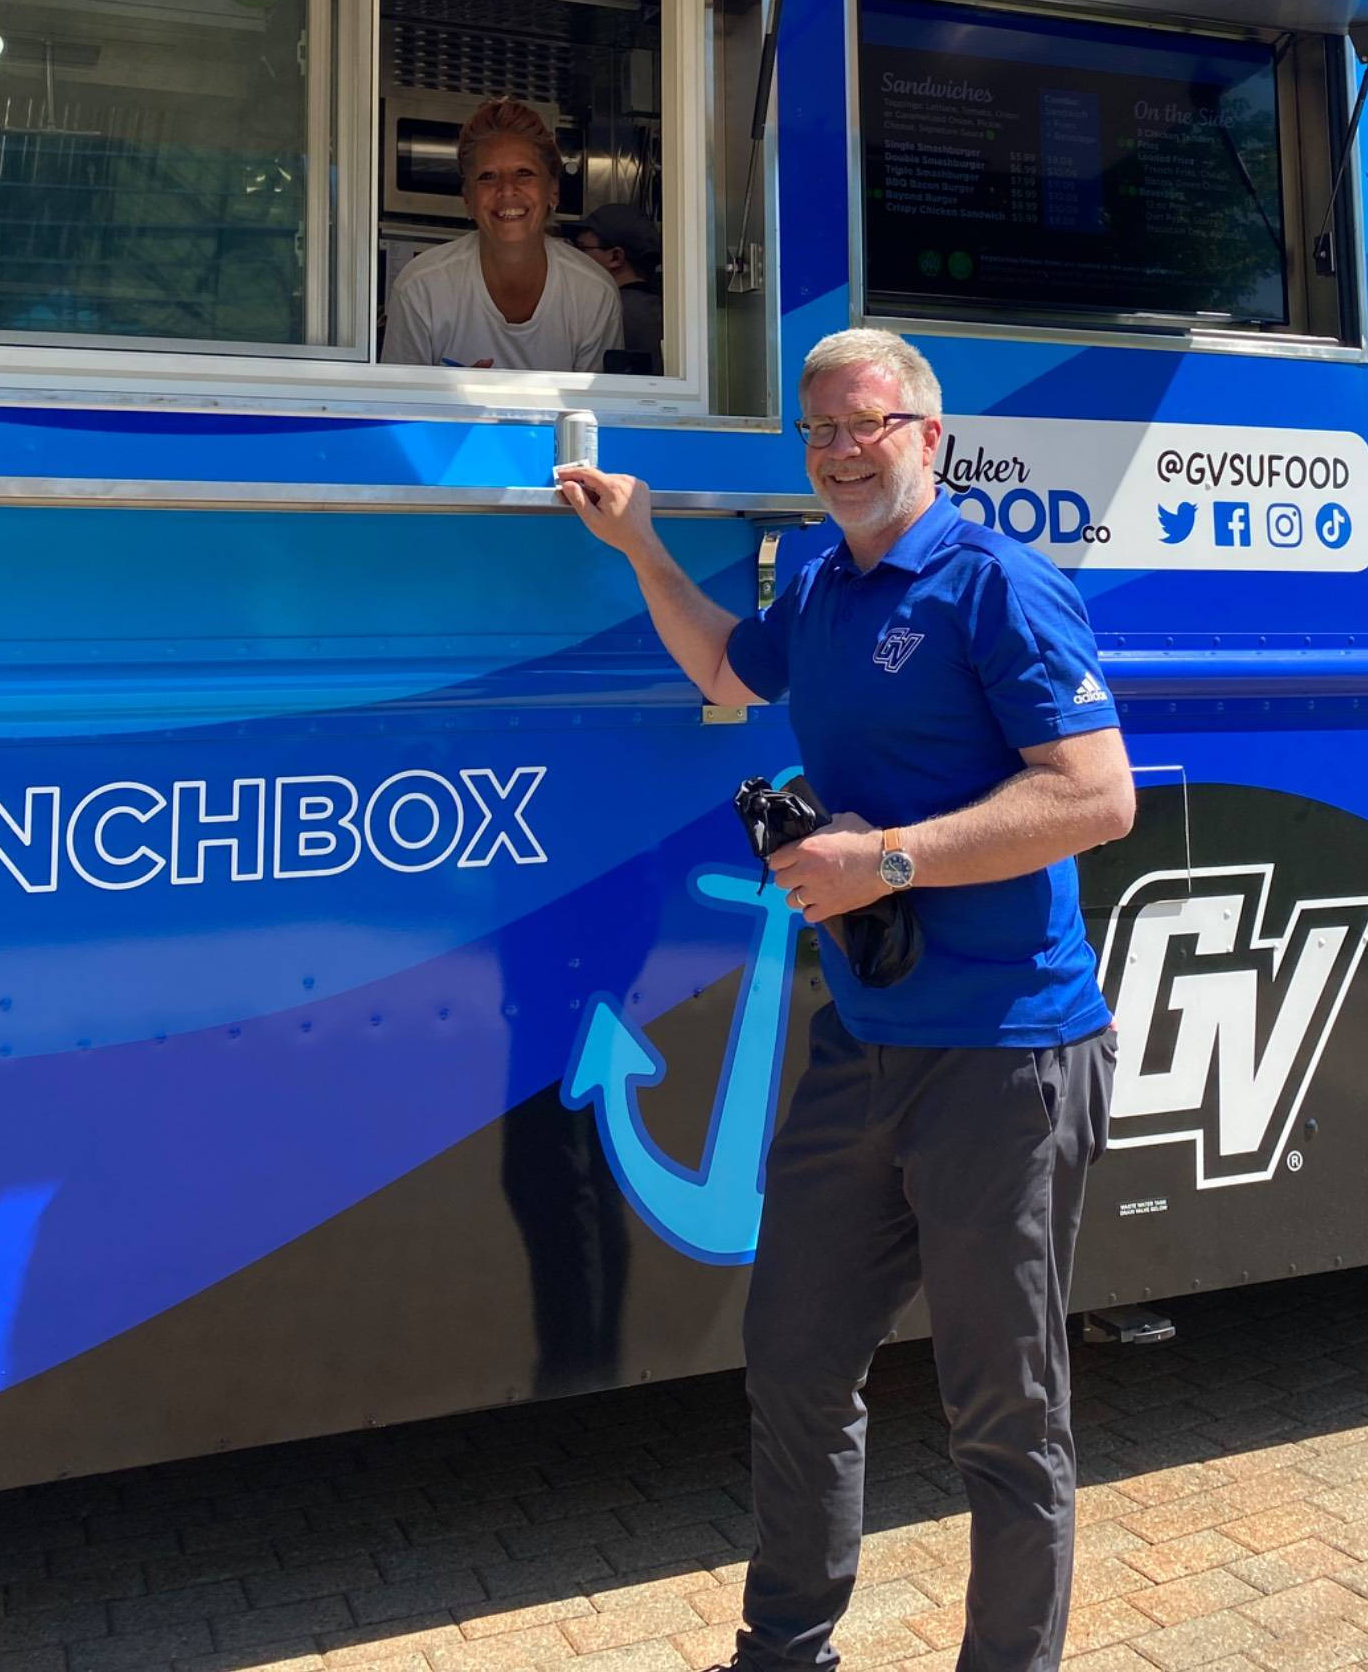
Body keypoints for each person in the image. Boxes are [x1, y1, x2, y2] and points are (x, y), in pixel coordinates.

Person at [558, 328, 1134, 1672]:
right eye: (816, 430)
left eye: (864, 423)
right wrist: (643, 544)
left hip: (1007, 1058)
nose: (836, 449)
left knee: (1007, 1411)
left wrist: (882, 859)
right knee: (798, 1355)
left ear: (929, 436)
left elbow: (1096, 795)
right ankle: (788, 1649)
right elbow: (725, 670)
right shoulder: (819, 585)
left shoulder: (999, 586)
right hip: (865, 1047)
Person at [381, 96, 623, 372]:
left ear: (553, 190)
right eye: (487, 176)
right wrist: (453, 398)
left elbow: (600, 411)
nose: (507, 190)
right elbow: (399, 407)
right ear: (468, 198)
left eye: (524, 173)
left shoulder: (593, 294)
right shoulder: (421, 288)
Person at [575, 202, 663, 372]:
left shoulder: (610, 312)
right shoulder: (662, 312)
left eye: (581, 248)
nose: (573, 257)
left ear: (616, 257)